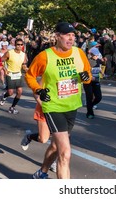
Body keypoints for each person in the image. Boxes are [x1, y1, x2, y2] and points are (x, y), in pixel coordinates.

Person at [25, 22, 92, 179]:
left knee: (56, 146)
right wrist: (38, 90)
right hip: (53, 107)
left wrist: (86, 77)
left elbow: (88, 75)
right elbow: (30, 75)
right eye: (67, 35)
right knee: (65, 153)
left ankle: (42, 172)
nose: (71, 38)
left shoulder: (79, 53)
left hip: (72, 106)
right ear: (57, 36)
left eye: (73, 35)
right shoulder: (45, 56)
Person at [0, 38, 29, 114]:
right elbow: (0, 61)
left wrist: (26, 69)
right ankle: (4, 96)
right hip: (10, 74)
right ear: (15, 45)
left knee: (19, 92)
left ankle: (12, 107)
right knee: (10, 92)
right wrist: (5, 70)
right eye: (18, 44)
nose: (19, 46)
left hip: (18, 74)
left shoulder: (23, 54)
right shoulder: (9, 53)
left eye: (21, 45)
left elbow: (24, 64)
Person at [84, 47, 106, 119]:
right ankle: (90, 113)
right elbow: (84, 72)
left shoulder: (98, 60)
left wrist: (102, 73)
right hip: (88, 82)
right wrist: (90, 77)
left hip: (96, 81)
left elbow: (100, 68)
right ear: (91, 55)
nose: (97, 57)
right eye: (95, 55)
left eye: (97, 55)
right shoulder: (87, 62)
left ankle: (90, 105)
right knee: (89, 97)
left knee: (99, 97)